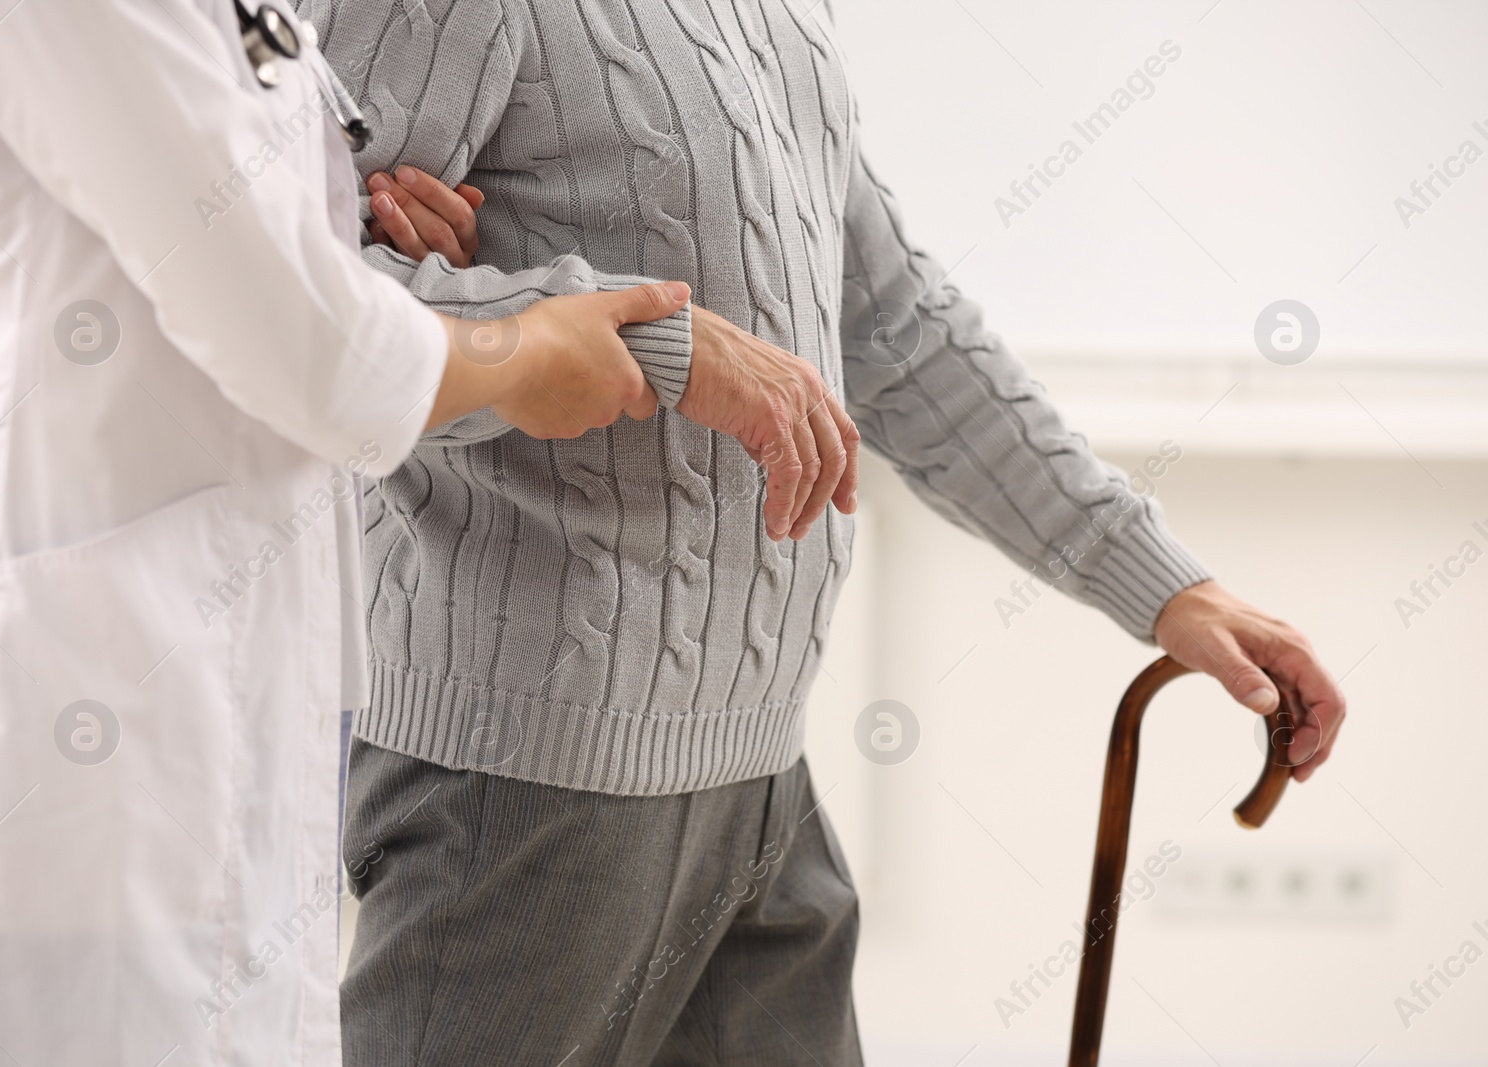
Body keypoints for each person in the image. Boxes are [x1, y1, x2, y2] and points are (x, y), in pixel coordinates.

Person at [304, 1, 1349, 1064]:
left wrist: (1166, 587)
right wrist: (654, 342)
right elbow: (311, 323)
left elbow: (891, 325)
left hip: (762, 780)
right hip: (522, 786)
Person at [0, 1, 755, 1064]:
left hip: (201, 659)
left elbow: (235, 242)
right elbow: (294, 335)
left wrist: (357, 229)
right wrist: (522, 350)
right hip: (59, 677)